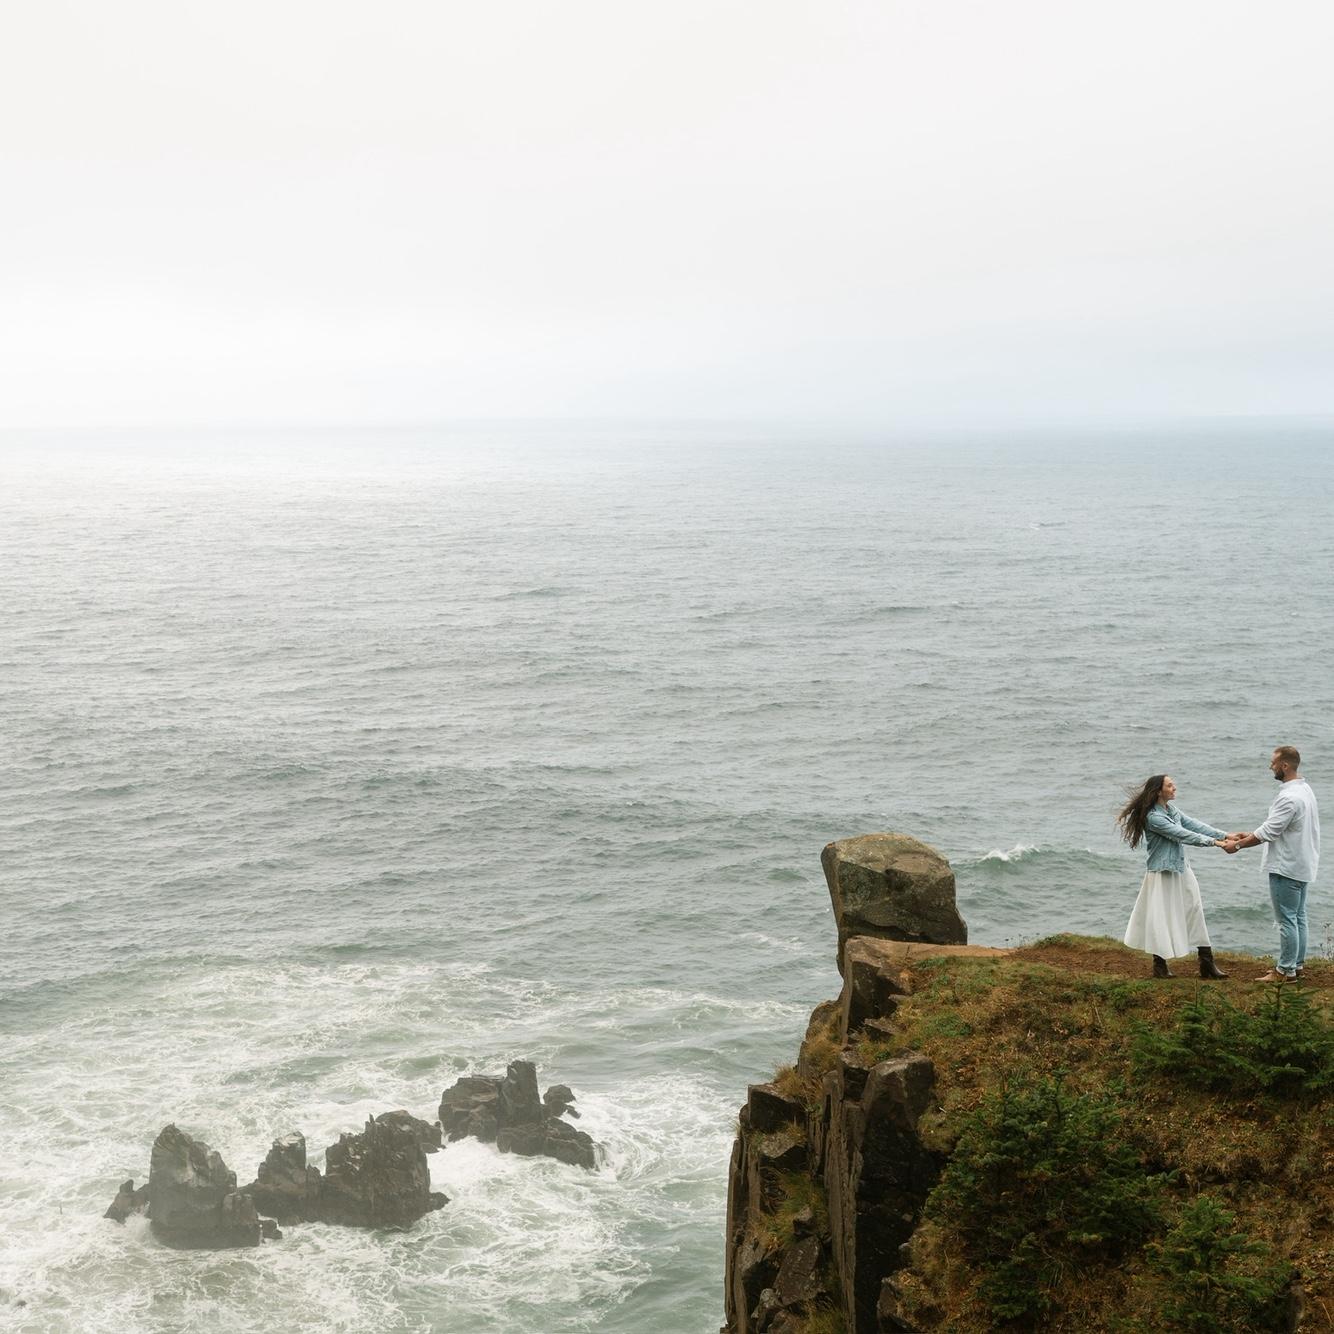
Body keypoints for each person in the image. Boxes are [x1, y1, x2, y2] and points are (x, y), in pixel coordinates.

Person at [1117, 774, 1235, 978]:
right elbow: (1182, 834)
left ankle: (1206, 964)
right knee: (1160, 917)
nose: (1175, 788)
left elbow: (1193, 825)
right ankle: (1160, 966)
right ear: (1158, 791)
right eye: (1170, 785)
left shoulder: (1170, 809)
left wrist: (1225, 835)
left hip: (1180, 868)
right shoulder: (1154, 817)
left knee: (1195, 909)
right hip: (1162, 872)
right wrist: (1215, 843)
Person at [1225, 746, 1320, 983]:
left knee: (1286, 919)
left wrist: (1237, 845)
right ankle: (1296, 965)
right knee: (1298, 917)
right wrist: (1249, 833)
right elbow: (1281, 827)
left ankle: (1284, 971)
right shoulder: (1305, 790)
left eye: (1274, 762)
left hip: (1286, 866)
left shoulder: (1289, 797)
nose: (1271, 766)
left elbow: (1269, 832)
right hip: (1303, 862)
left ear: (1285, 766)